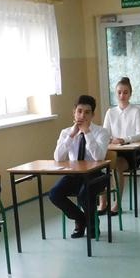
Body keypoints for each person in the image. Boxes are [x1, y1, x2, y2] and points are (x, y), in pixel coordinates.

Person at [49, 95, 112, 238]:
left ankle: (92, 224)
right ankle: (81, 219)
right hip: (74, 175)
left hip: (97, 175)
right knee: (54, 194)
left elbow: (99, 157)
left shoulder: (101, 132)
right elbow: (58, 157)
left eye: (87, 112)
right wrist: (71, 135)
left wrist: (87, 133)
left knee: (85, 194)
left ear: (92, 115)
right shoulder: (66, 133)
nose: (82, 115)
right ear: (74, 112)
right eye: (79, 111)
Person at [99, 77, 140, 215]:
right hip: (113, 150)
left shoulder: (136, 111)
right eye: (119, 92)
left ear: (130, 94)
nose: (122, 95)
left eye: (125, 92)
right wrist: (110, 139)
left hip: (131, 153)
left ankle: (117, 204)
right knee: (100, 165)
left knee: (117, 166)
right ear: (116, 93)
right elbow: (105, 133)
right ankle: (103, 202)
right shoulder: (110, 112)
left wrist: (124, 140)